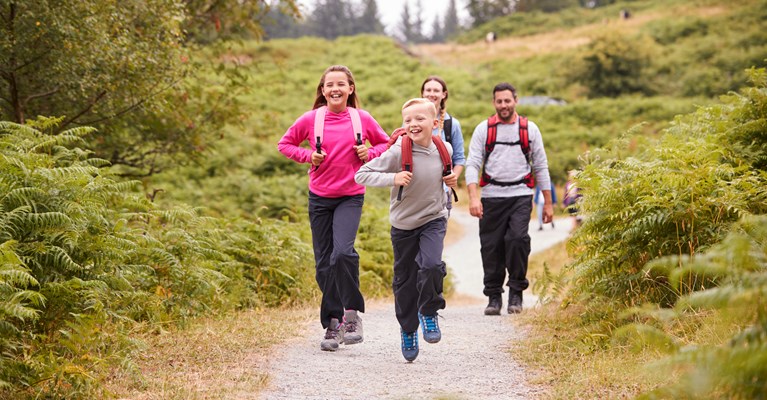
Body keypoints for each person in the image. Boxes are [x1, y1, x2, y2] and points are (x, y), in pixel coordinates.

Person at [277, 65, 390, 352]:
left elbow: (387, 143)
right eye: (330, 85)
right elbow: (285, 144)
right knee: (323, 264)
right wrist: (308, 156)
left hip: (350, 195)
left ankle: (350, 314)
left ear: (351, 89)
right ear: (323, 90)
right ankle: (333, 324)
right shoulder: (311, 119)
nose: (335, 89)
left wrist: (371, 152)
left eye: (342, 84)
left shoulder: (361, 118)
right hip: (319, 198)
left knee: (342, 253)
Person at [355, 98, 458, 362]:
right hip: (403, 226)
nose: (412, 124)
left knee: (432, 266)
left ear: (435, 123)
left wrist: (452, 178)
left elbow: (447, 176)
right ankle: (409, 329)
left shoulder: (443, 147)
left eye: (419, 119)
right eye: (408, 120)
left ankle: (429, 312)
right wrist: (393, 177)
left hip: (434, 218)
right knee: (405, 283)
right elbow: (362, 174)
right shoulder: (400, 151)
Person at [465, 82, 553, 315]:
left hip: (521, 194)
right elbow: (473, 163)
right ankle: (494, 296)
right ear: (494, 103)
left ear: (516, 100)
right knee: (491, 246)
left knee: (517, 239)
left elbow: (541, 166)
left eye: (507, 100)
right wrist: (474, 197)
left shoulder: (529, 129)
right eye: (499, 101)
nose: (503, 105)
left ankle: (516, 292)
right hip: (492, 196)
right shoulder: (484, 129)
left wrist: (548, 204)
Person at [420, 76, 466, 214]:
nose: (431, 94)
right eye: (428, 90)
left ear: (443, 94)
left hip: (442, 194)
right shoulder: (410, 120)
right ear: (422, 93)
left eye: (436, 90)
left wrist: (452, 179)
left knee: (436, 234)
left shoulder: (451, 124)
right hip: (415, 192)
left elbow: (459, 159)